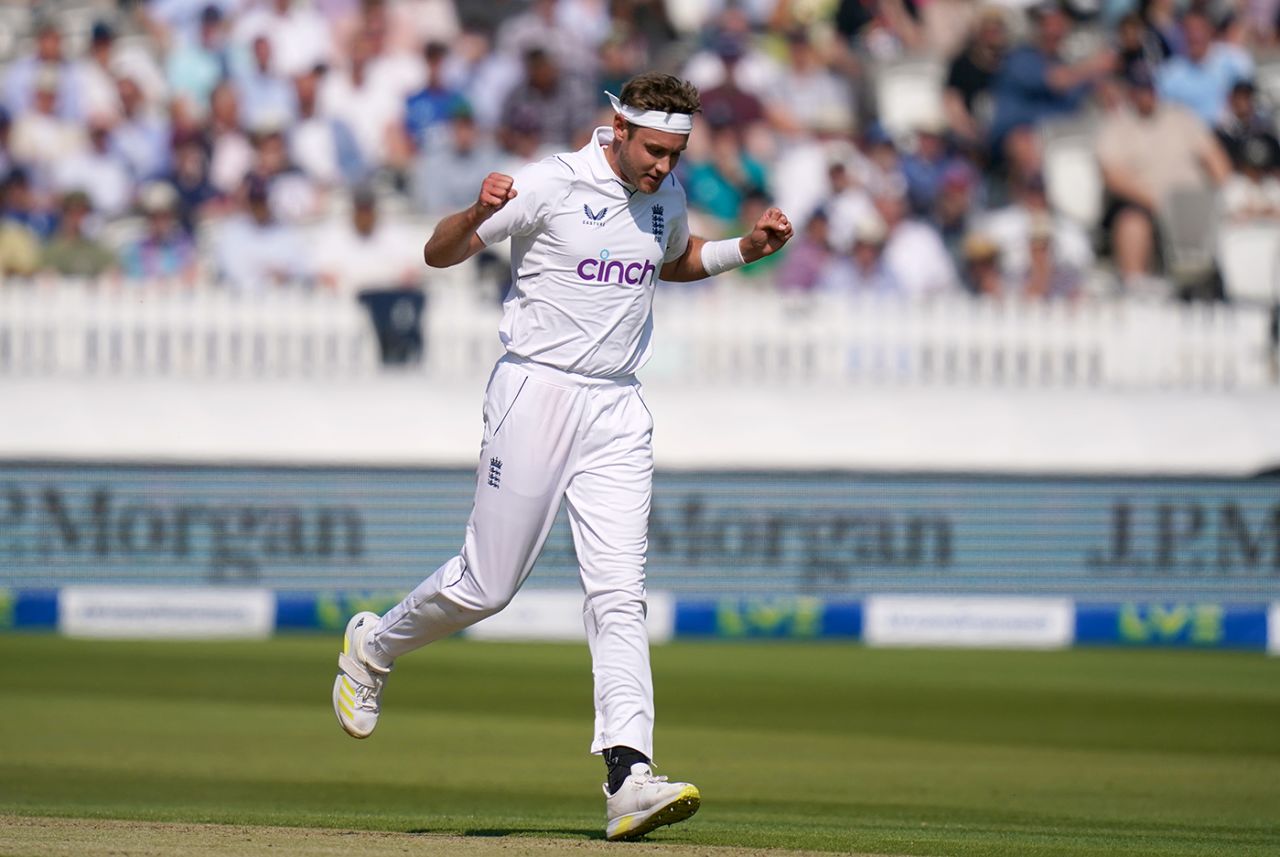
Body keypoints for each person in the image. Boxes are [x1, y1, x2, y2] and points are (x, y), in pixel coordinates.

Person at [331, 71, 793, 841]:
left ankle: (629, 775)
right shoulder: (550, 181)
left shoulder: (666, 195)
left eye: (676, 153)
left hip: (617, 404)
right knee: (487, 586)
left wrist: (746, 248)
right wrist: (479, 211)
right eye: (653, 149)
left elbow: (668, 261)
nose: (663, 166)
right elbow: (439, 252)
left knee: (619, 592)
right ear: (615, 126)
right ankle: (373, 645)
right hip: (536, 390)